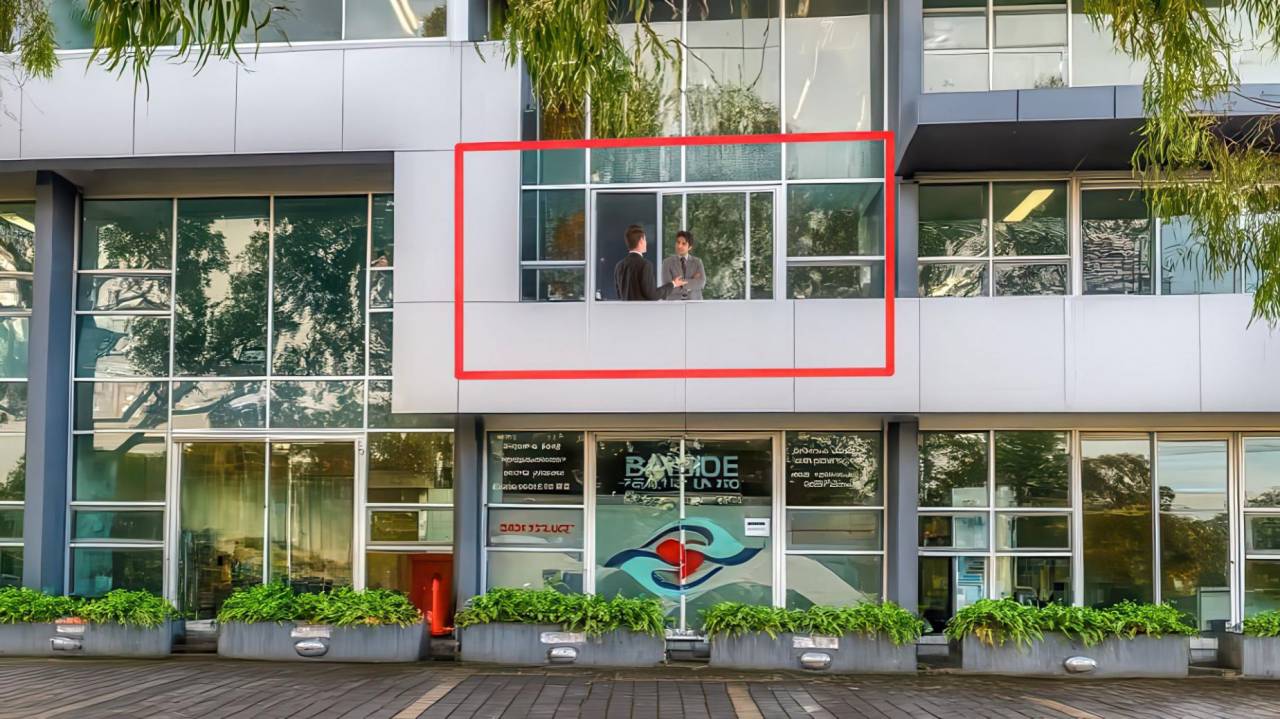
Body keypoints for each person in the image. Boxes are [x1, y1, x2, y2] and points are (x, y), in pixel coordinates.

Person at [614, 224, 685, 301]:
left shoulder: (619, 266)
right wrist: (673, 284)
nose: (646, 242)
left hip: (624, 309)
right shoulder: (645, 265)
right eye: (645, 240)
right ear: (641, 241)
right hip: (642, 309)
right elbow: (652, 295)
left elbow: (619, 294)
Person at [661, 230, 706, 301]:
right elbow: (667, 287)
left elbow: (701, 283)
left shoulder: (697, 262)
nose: (679, 246)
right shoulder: (667, 263)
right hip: (674, 303)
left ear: (690, 247)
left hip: (694, 302)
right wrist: (692, 282)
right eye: (678, 242)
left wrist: (678, 283)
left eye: (683, 243)